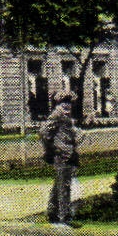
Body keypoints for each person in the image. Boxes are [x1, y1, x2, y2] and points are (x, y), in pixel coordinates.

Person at [39, 90, 81, 227]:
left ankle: (52, 212)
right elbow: (44, 132)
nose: (67, 105)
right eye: (64, 102)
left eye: (69, 102)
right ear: (59, 103)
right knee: (64, 186)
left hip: (67, 153)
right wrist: (53, 148)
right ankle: (65, 216)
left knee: (59, 184)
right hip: (61, 155)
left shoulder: (65, 116)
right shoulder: (57, 115)